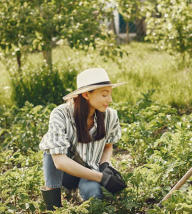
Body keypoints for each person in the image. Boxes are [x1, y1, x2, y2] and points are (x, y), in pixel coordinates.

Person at [39, 68, 127, 210]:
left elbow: (108, 145)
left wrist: (104, 165)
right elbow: (59, 162)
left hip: (91, 171)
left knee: (94, 193)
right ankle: (53, 205)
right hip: (66, 174)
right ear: (86, 94)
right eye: (104, 94)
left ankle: (78, 193)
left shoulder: (110, 116)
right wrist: (101, 178)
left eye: (110, 94)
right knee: (51, 148)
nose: (110, 100)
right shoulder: (61, 114)